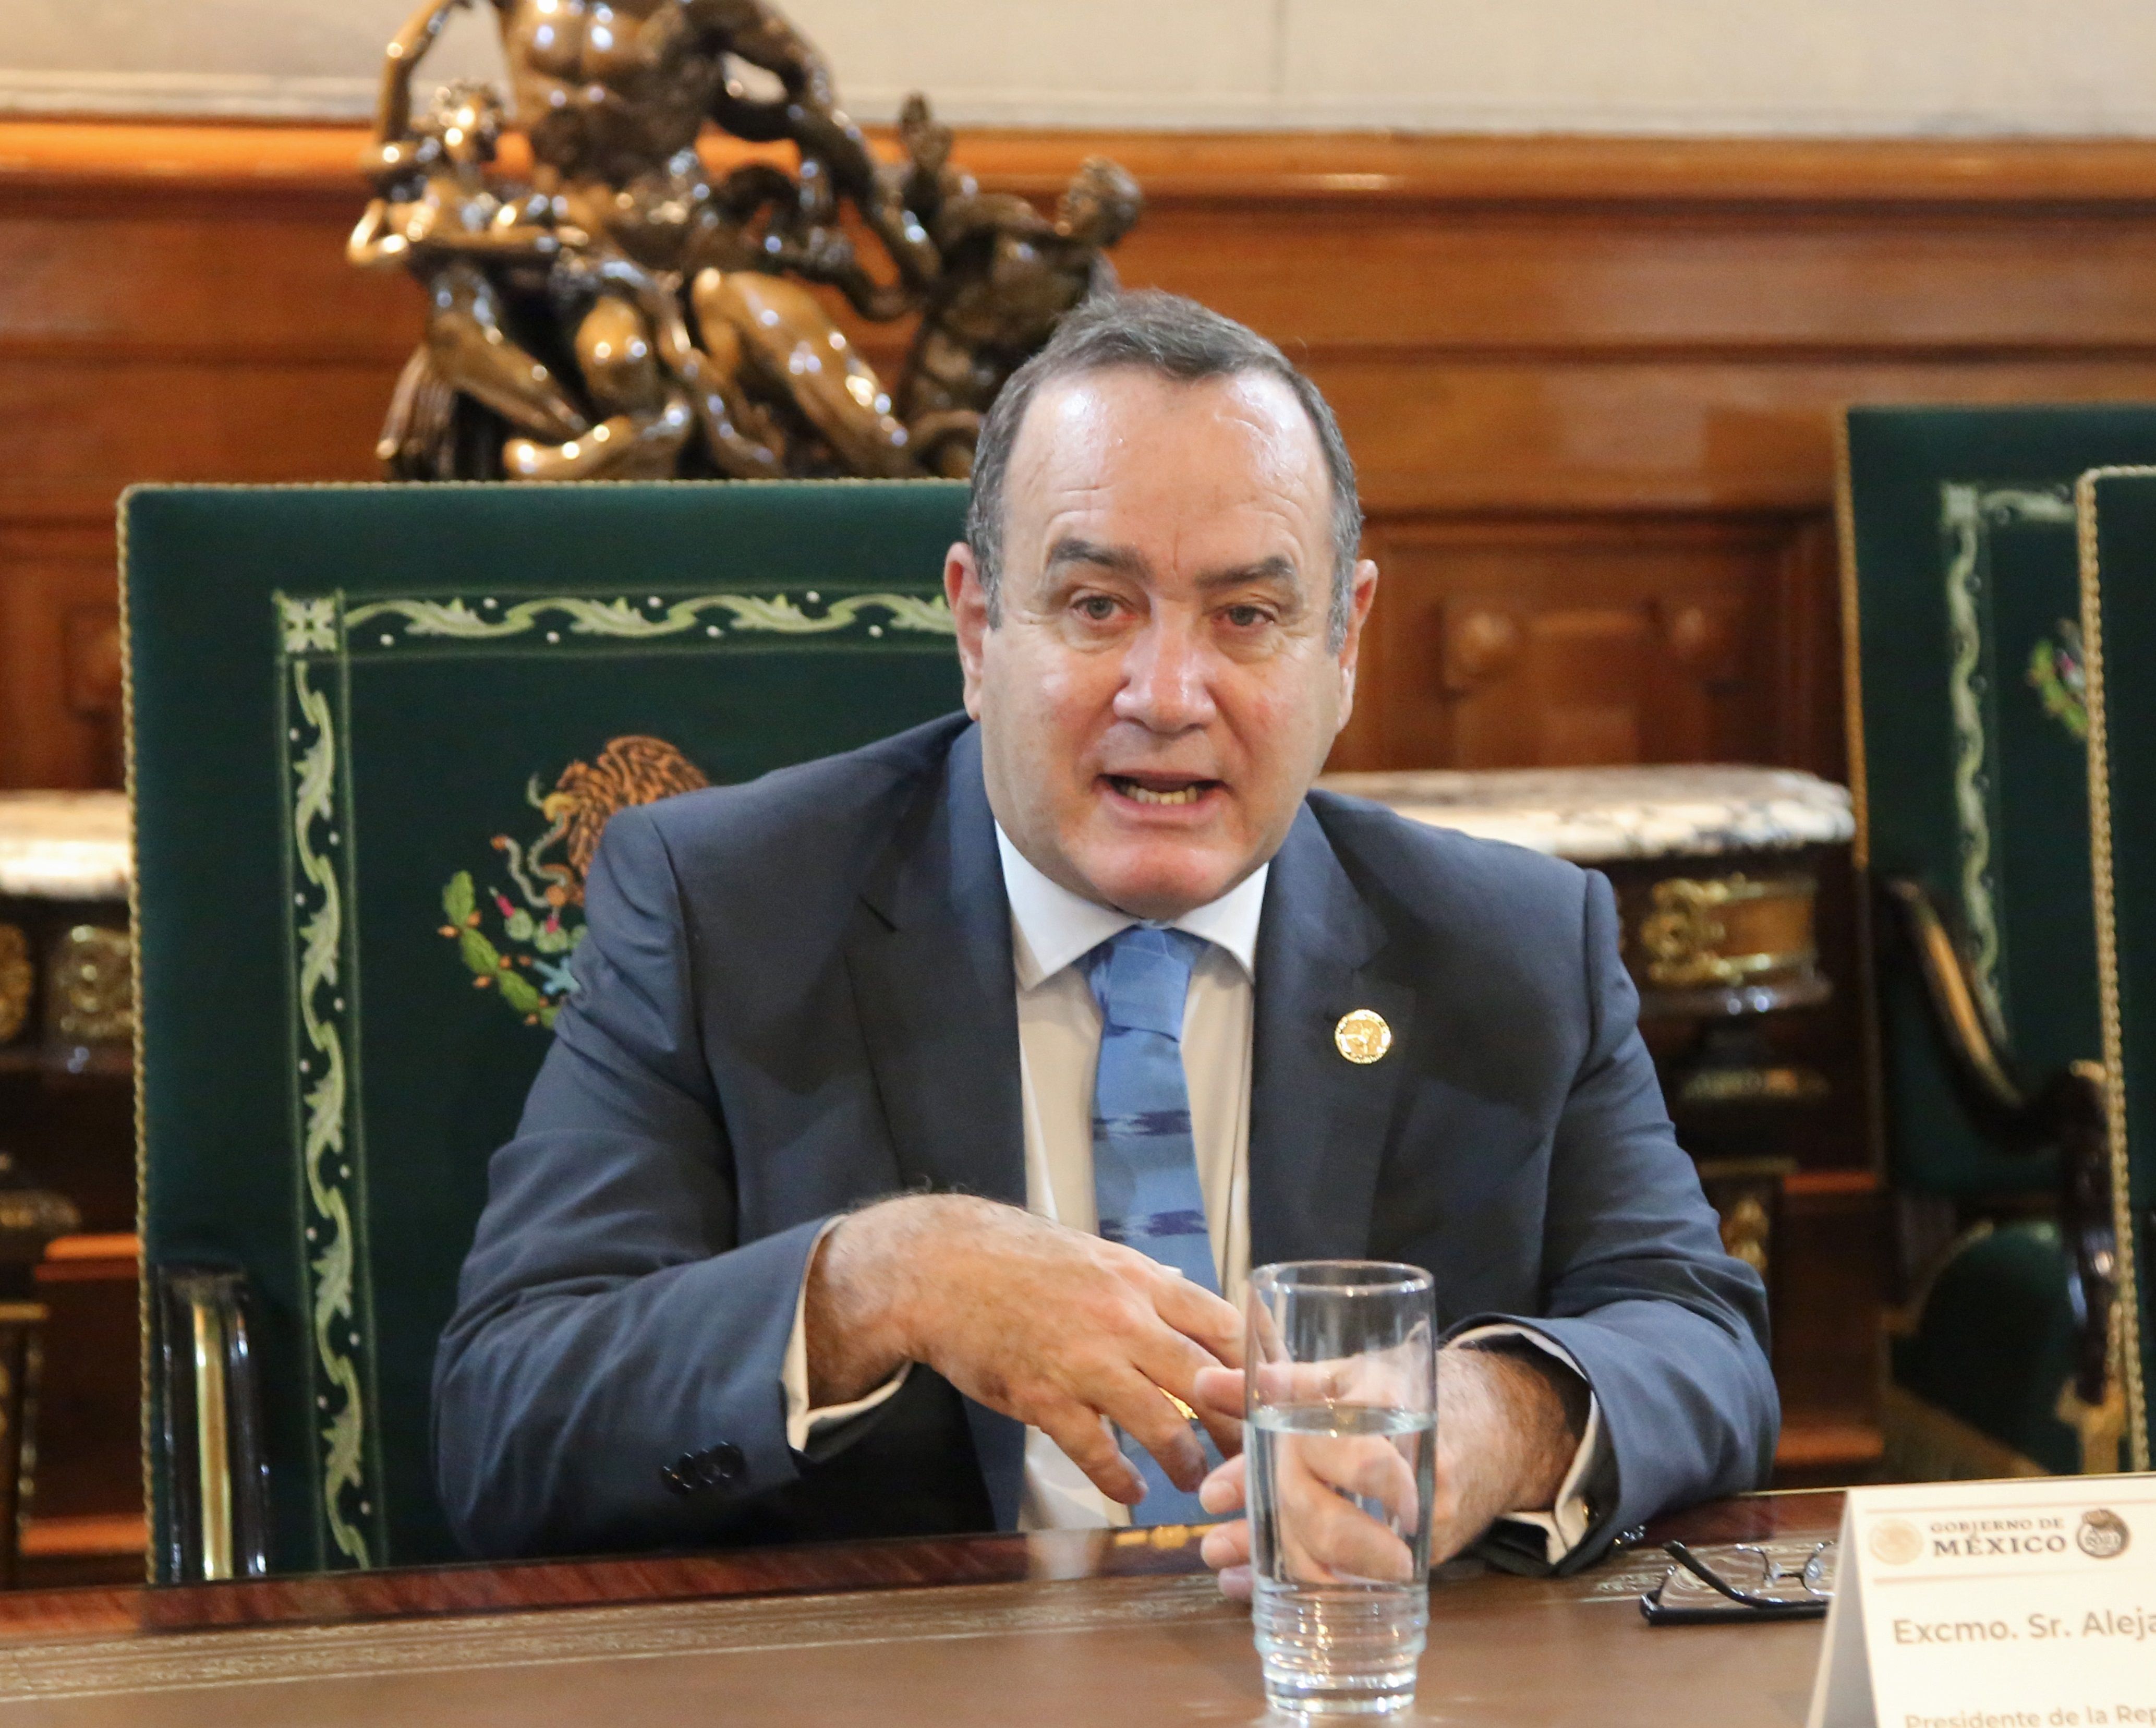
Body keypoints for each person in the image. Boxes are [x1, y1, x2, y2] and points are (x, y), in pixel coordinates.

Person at [433, 290, 1778, 1588]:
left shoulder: (1512, 944)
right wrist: (878, 1282)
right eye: (1097, 607)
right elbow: (505, 1425)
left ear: (1345, 643)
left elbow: (1701, 1341)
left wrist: (1502, 1420)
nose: (1167, 695)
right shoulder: (724, 906)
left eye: (1247, 617)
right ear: (977, 627)